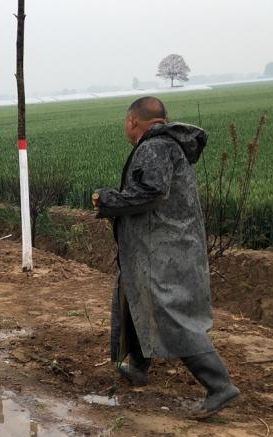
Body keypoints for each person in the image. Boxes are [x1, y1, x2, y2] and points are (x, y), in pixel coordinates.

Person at [93, 96, 240, 419]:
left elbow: (152, 192)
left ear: (132, 121)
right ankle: (138, 366)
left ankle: (219, 386)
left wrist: (107, 200)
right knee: (134, 298)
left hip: (162, 249)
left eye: (125, 122)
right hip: (161, 245)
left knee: (171, 315)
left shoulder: (155, 147)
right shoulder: (165, 145)